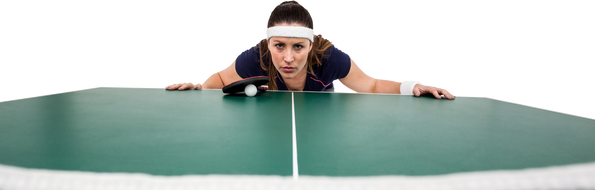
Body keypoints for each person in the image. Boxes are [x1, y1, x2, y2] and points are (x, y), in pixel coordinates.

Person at [165, 0, 455, 99]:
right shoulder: (255, 57)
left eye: (298, 47)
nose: (288, 57)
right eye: (279, 46)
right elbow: (220, 77)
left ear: (311, 45)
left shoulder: (330, 58)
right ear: (268, 44)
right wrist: (199, 86)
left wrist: (415, 86)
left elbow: (375, 85)